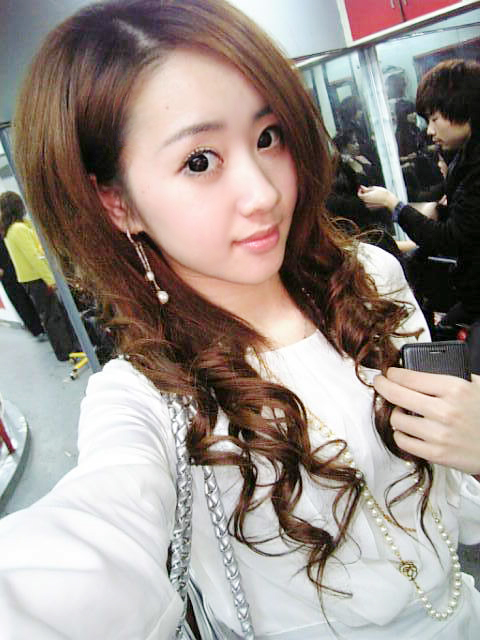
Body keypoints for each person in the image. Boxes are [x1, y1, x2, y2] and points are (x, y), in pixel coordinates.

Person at [0, 2, 479, 638]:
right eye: (199, 161)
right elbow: (89, 545)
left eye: (268, 136)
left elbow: (453, 506)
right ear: (116, 203)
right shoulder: (149, 396)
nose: (264, 193)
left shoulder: (371, 278)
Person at [359, 59, 480, 373]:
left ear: (463, 109)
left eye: (435, 119)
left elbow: (451, 239)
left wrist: (393, 205)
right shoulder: (463, 161)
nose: (429, 130)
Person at [0, 191, 78, 360]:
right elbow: (35, 257)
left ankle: (67, 349)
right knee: (53, 316)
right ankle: (65, 351)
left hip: (31, 279)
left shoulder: (12, 229)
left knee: (51, 314)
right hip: (37, 279)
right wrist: (50, 279)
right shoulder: (18, 229)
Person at [0, 234, 45, 338]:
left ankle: (41, 325)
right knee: (21, 302)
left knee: (30, 297)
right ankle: (37, 330)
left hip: (18, 267)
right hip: (7, 274)